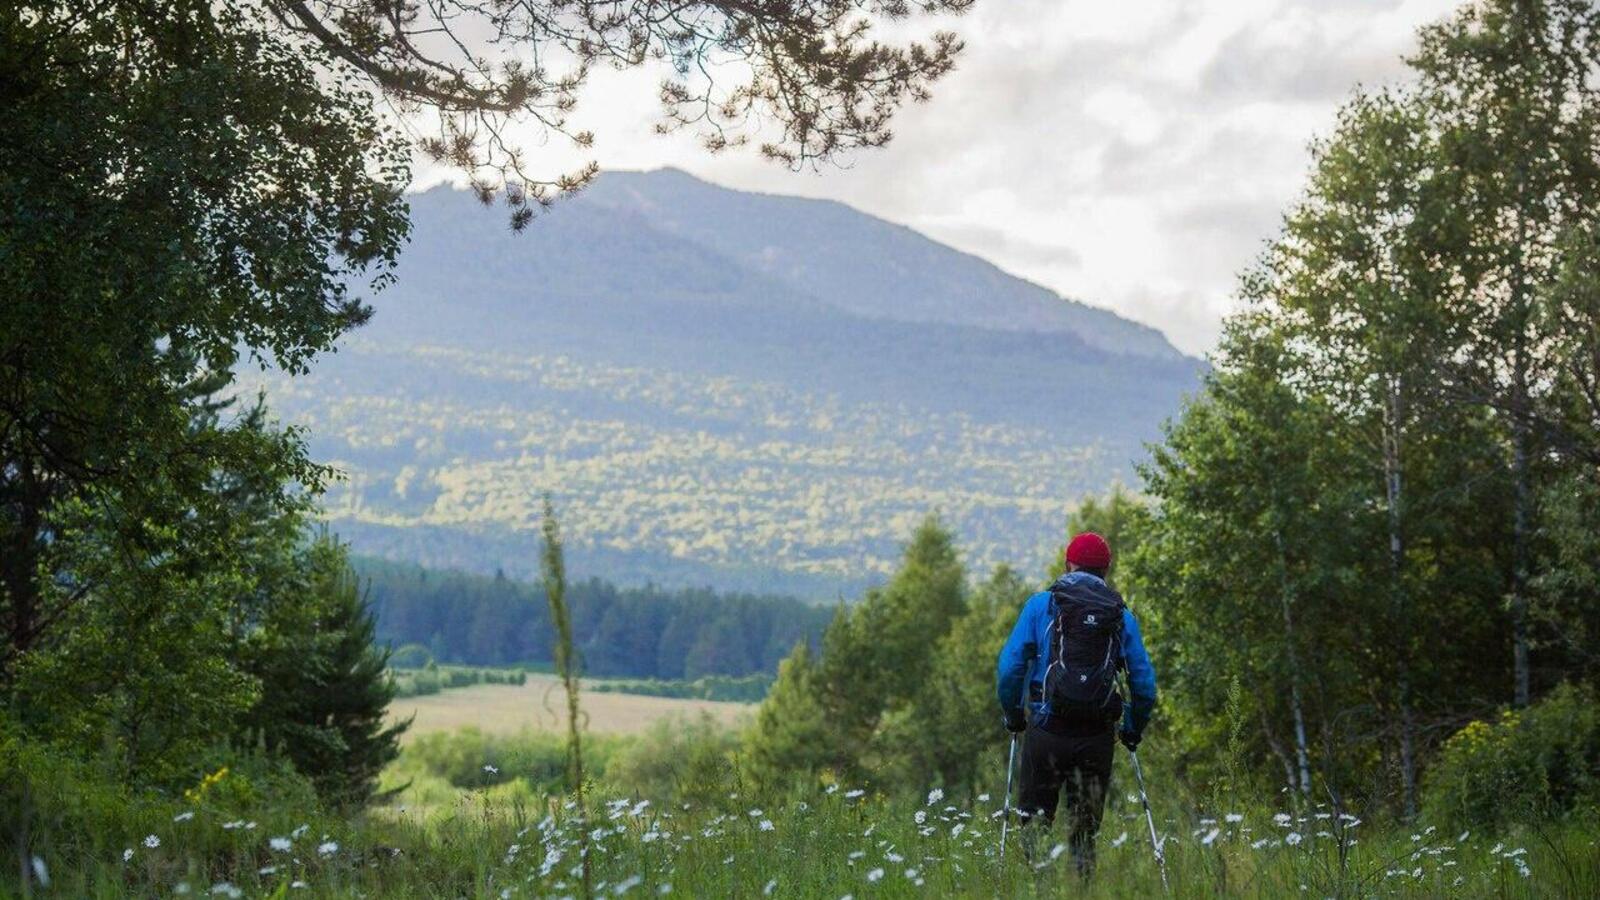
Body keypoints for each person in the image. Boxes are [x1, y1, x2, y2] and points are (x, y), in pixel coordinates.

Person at [995, 531, 1157, 876]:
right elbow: (1143, 684)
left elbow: (1010, 668)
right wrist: (1132, 728)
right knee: (1084, 835)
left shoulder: (1041, 606)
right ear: (1106, 569)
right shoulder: (1120, 615)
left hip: (1046, 731)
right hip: (1096, 737)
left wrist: (1014, 715)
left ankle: (1039, 889)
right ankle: (1082, 888)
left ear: (1068, 564)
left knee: (1035, 827)